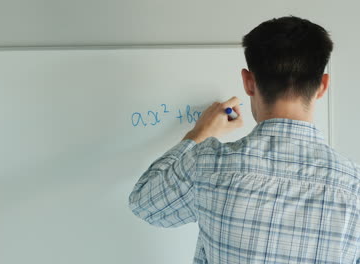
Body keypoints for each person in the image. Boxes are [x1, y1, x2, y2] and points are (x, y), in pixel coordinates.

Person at [129, 16, 360, 263]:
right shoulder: (354, 187)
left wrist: (198, 135)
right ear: (323, 85)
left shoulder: (208, 165)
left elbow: (144, 203)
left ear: (248, 82)